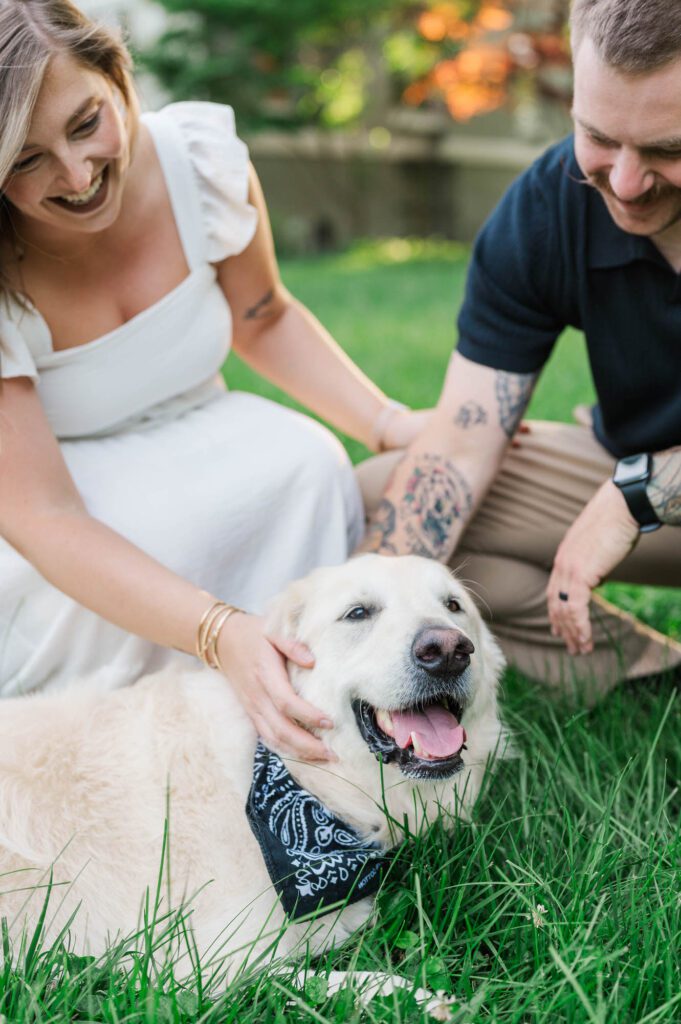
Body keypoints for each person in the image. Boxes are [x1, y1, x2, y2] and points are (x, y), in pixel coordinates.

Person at [0, 0, 427, 759]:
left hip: (200, 422)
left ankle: (313, 688)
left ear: (115, 74)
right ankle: (167, 728)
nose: (76, 174)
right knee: (164, 534)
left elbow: (262, 314)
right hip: (54, 488)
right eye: (26, 161)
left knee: (307, 463)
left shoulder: (198, 158)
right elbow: (42, 516)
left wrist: (388, 424)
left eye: (86, 122)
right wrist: (214, 628)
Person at [358, 0, 681, 699]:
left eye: (668, 150)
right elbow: (457, 447)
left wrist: (641, 491)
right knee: (385, 502)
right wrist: (361, 634)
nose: (624, 184)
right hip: (632, 489)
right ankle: (646, 676)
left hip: (641, 495)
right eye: (597, 137)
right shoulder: (548, 203)